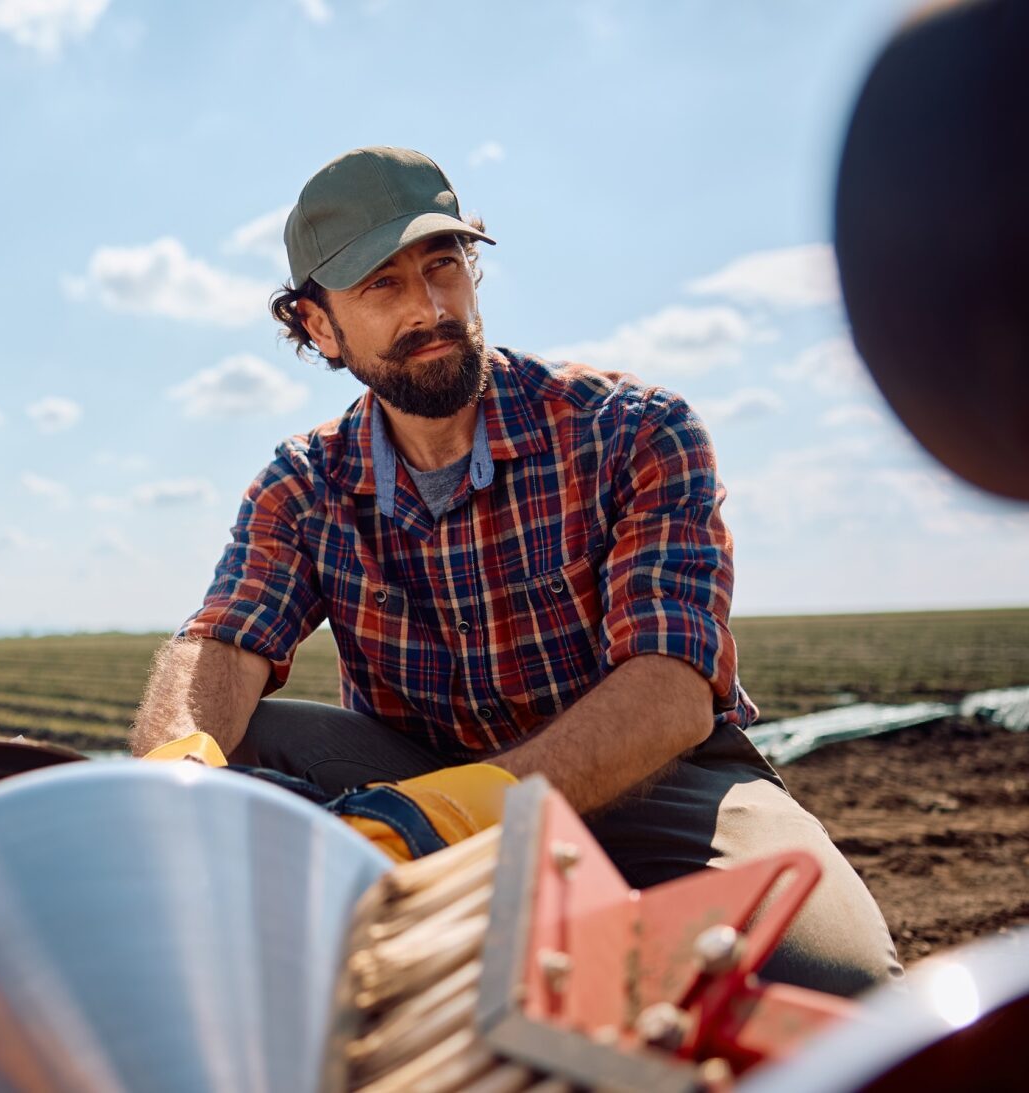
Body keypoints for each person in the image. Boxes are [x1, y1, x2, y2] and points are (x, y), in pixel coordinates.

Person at [128, 146, 899, 996]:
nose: (428, 305)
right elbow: (222, 644)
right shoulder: (305, 483)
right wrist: (176, 773)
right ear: (318, 325)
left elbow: (674, 687)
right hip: (421, 771)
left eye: (443, 265)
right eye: (381, 284)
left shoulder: (632, 431)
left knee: (839, 981)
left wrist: (471, 809)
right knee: (217, 755)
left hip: (657, 778)